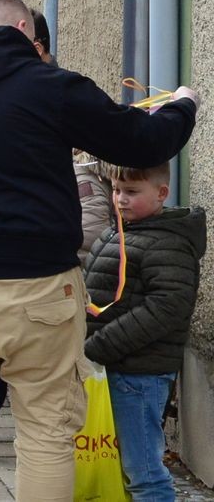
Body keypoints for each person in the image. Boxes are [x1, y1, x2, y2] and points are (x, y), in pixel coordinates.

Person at [0, 0, 199, 500]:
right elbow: (142, 143)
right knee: (46, 434)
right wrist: (183, 107)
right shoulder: (49, 86)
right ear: (24, 30)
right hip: (39, 288)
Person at [83, 162, 205, 500]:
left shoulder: (168, 243)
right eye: (117, 191)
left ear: (162, 194)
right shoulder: (120, 232)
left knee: (145, 472)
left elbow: (165, 309)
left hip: (138, 375)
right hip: (116, 367)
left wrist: (99, 346)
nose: (120, 199)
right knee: (122, 464)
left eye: (132, 192)